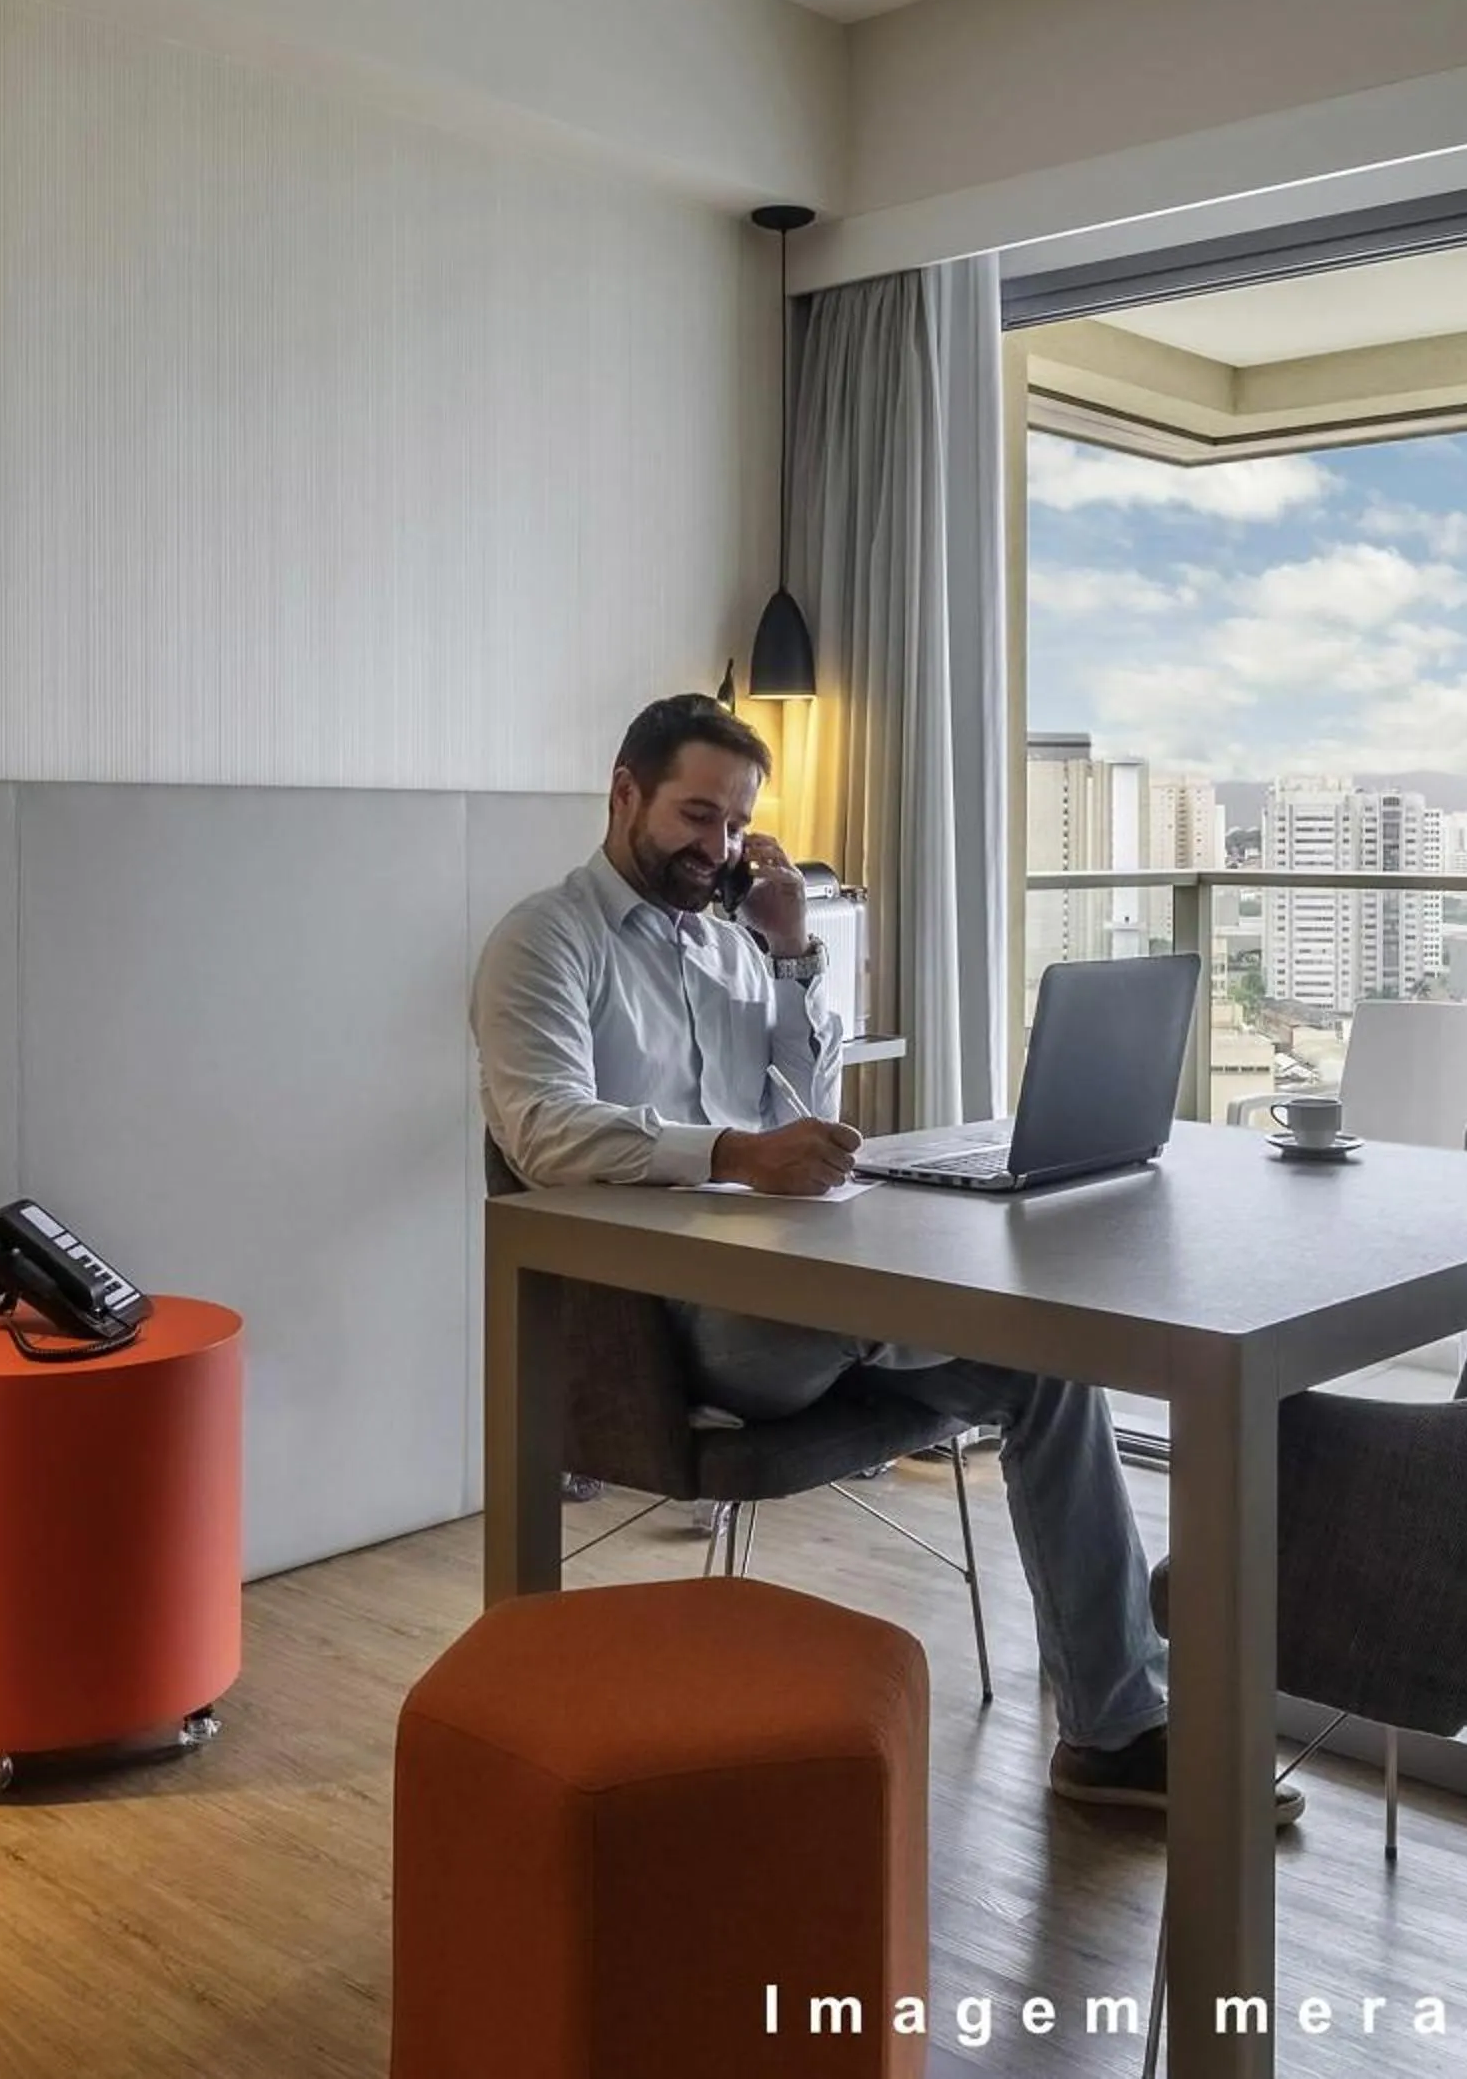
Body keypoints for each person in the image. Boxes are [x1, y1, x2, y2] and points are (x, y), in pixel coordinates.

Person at [472, 693, 1299, 1822]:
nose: (713, 849)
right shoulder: (543, 940)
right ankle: (957, 1304)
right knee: (976, 1295)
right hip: (684, 1327)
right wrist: (734, 1152)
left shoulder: (722, 940)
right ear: (624, 792)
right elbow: (543, 1132)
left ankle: (1116, 1729)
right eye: (694, 817)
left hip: (801, 1294)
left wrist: (796, 951)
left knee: (1046, 1365)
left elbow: (803, 1105)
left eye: (731, 827)